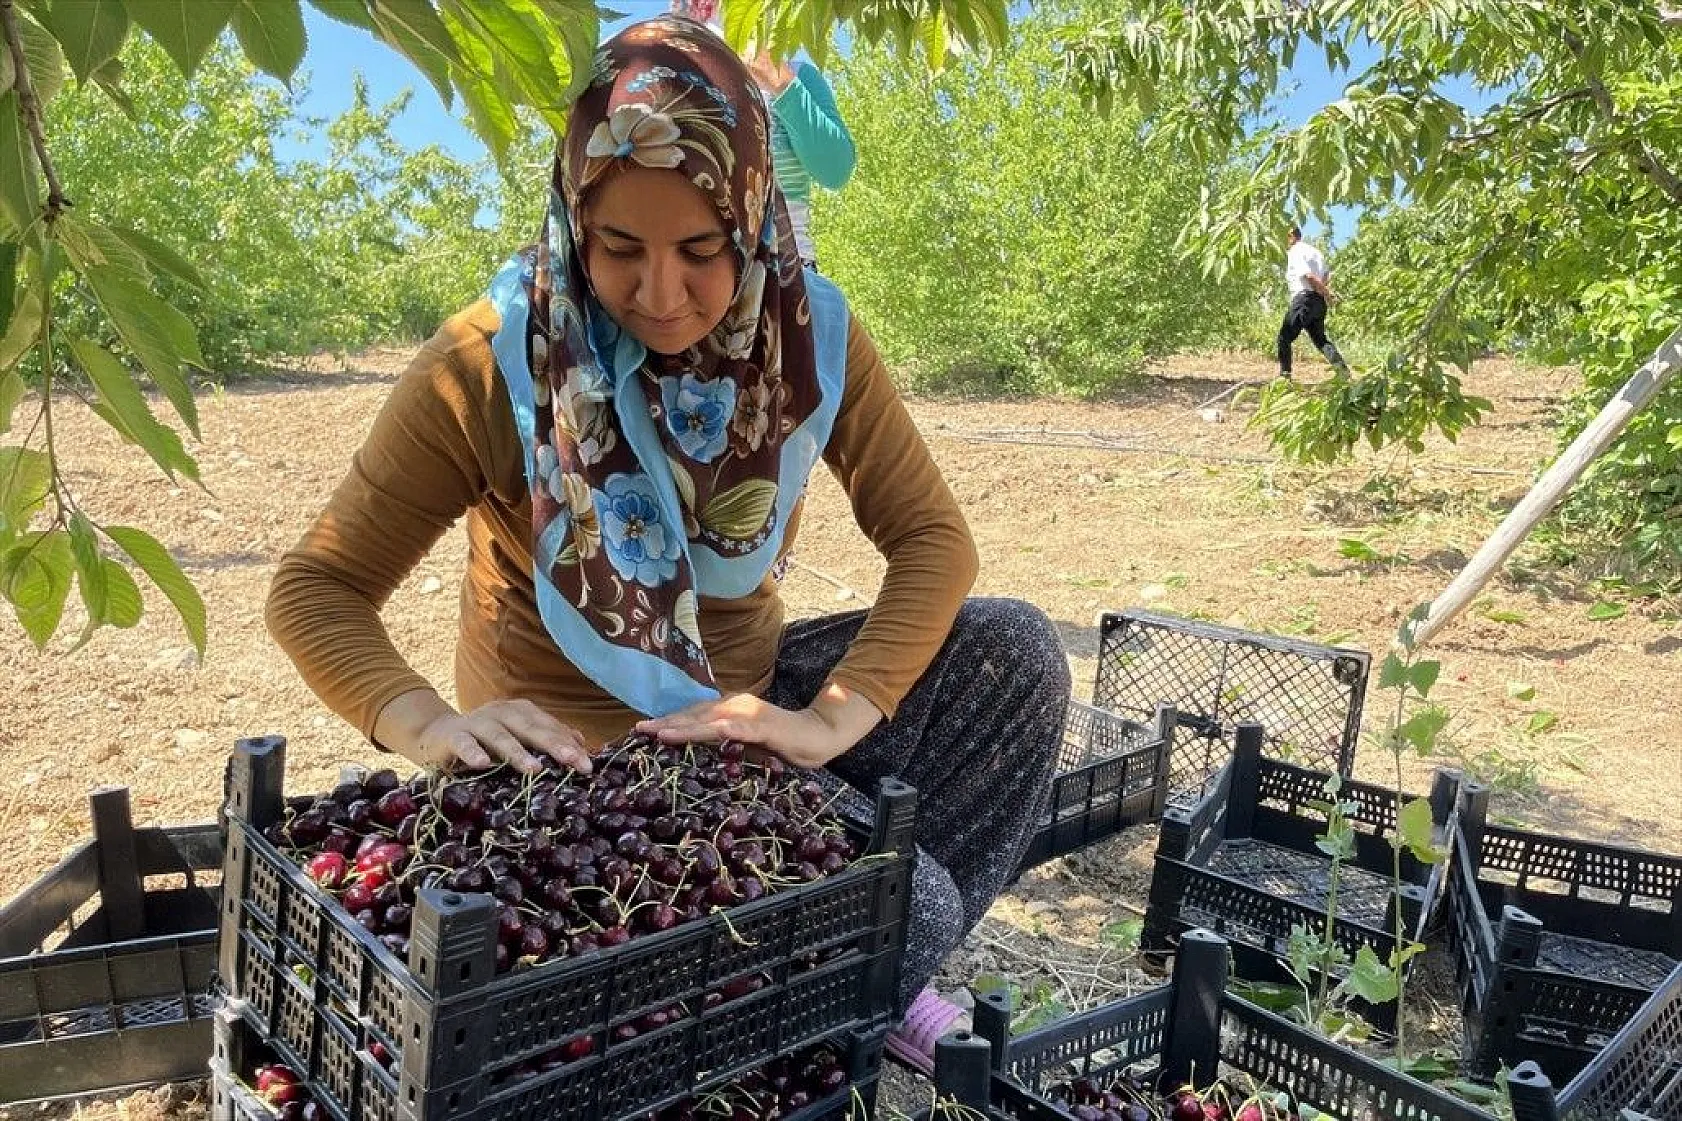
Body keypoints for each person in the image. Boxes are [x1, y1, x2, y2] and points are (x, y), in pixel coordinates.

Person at [265, 16, 1066, 1074]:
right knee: (900, 901)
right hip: (566, 774)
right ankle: (839, 980)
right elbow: (316, 584)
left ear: (751, 218)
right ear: (573, 220)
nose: (658, 292)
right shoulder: (496, 361)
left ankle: (847, 976)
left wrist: (823, 722)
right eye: (618, 249)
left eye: (699, 251)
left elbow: (932, 539)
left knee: (1016, 654)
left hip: (739, 721)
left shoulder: (805, 336)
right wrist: (428, 723)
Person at [669, 0, 856, 269]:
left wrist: (780, 83)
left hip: (787, 270)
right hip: (697, 266)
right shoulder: (675, 79)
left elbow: (835, 170)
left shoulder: (798, 76)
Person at [1276, 224, 1351, 380]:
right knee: (1321, 340)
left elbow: (1309, 276)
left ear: (1291, 236)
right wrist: (1323, 292)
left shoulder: (1296, 251)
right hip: (1318, 302)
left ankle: (1284, 378)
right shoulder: (1315, 252)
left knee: (1284, 337)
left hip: (1303, 299)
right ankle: (1344, 373)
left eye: (1285, 236)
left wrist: (1327, 293)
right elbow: (1327, 275)